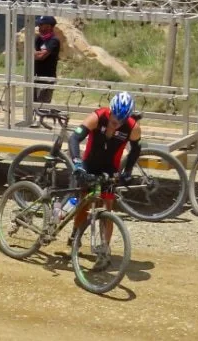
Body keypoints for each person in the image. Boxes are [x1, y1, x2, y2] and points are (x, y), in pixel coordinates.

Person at [67, 91, 141, 271]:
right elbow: (74, 138)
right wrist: (77, 163)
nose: (117, 125)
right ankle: (76, 234)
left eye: (121, 121)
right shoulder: (97, 117)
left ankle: (105, 249)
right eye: (115, 120)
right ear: (110, 112)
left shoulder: (132, 127)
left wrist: (128, 171)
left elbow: (136, 149)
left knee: (108, 206)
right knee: (83, 204)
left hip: (110, 168)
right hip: (89, 164)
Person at [33, 15, 61, 104]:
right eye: (39, 25)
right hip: (35, 76)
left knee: (42, 105)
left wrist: (37, 54)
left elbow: (41, 57)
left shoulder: (54, 41)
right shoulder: (38, 39)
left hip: (47, 78)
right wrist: (38, 53)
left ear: (49, 26)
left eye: (42, 25)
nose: (40, 28)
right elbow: (29, 53)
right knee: (32, 104)